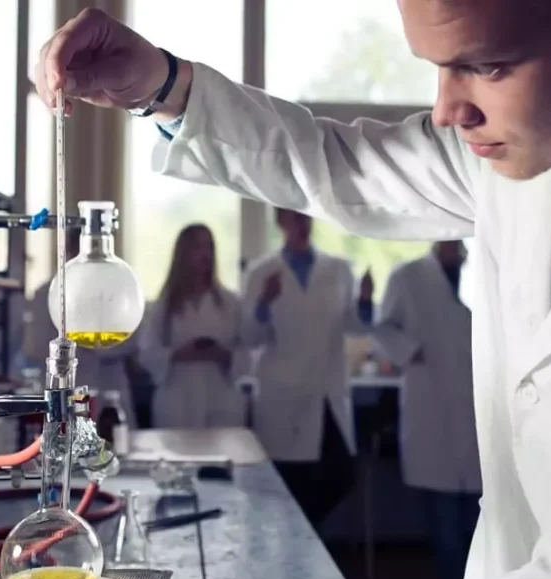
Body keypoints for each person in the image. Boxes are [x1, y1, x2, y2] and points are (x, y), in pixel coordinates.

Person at [34, 2, 551, 579]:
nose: (446, 111)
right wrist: (163, 86)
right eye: (437, 70)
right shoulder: (535, 141)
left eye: (485, 66)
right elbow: (340, 162)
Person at [242, 208, 374, 529]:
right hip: (283, 393)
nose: (302, 223)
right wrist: (263, 303)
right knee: (292, 484)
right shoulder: (262, 272)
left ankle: (305, 545)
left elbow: (354, 326)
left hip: (327, 391)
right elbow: (249, 337)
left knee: (342, 475)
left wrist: (366, 300)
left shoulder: (339, 269)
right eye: (294, 217)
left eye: (306, 216)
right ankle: (300, 557)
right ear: (280, 223)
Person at [374, 240, 480, 579]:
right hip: (433, 405)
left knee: (482, 524)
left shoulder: (484, 268)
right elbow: (383, 328)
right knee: (447, 524)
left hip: (480, 409)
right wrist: (409, 350)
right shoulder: (408, 276)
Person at [24, 229, 139, 425]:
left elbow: (133, 340)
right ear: (67, 251)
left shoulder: (118, 290)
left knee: (114, 443)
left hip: (109, 389)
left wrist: (96, 344)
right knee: (68, 445)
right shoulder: (47, 294)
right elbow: (36, 348)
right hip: (68, 388)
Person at [139, 224, 245, 429]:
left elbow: (247, 351)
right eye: (198, 247)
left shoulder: (230, 302)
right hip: (177, 396)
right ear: (183, 253)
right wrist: (177, 354)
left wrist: (223, 355)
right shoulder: (165, 304)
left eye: (209, 247)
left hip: (219, 395)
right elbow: (147, 353)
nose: (205, 254)